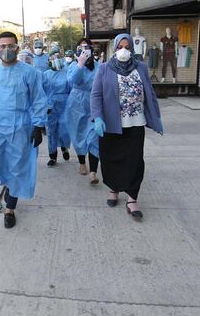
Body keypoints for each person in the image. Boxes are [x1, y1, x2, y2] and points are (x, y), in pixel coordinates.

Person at [91, 33, 163, 221]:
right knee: (111, 159)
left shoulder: (141, 67)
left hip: (135, 123)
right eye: (120, 46)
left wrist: (156, 116)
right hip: (111, 124)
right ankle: (114, 189)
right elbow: (96, 95)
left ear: (132, 48)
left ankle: (132, 198)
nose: (124, 50)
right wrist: (97, 117)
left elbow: (150, 93)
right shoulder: (105, 68)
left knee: (135, 161)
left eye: (128, 47)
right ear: (114, 48)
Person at [0, 32, 47, 228]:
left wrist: (38, 125)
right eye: (2, 46)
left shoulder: (29, 72)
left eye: (10, 46)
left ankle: (10, 208)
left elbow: (38, 99)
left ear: (17, 48)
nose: (6, 50)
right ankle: (9, 186)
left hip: (21, 125)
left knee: (18, 166)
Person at [66, 38, 100, 181]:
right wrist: (80, 64)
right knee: (78, 134)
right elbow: (72, 81)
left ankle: (93, 172)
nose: (84, 50)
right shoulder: (74, 65)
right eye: (81, 47)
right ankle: (82, 163)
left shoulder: (99, 66)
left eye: (87, 47)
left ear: (91, 50)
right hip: (76, 103)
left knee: (94, 136)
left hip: (93, 101)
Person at [42, 45, 71, 166]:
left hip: (64, 104)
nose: (56, 58)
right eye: (54, 56)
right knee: (52, 131)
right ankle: (53, 156)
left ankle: (64, 147)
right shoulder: (46, 74)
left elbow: (71, 89)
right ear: (49, 59)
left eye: (59, 56)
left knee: (64, 129)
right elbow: (42, 92)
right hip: (50, 105)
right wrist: (44, 107)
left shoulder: (67, 72)